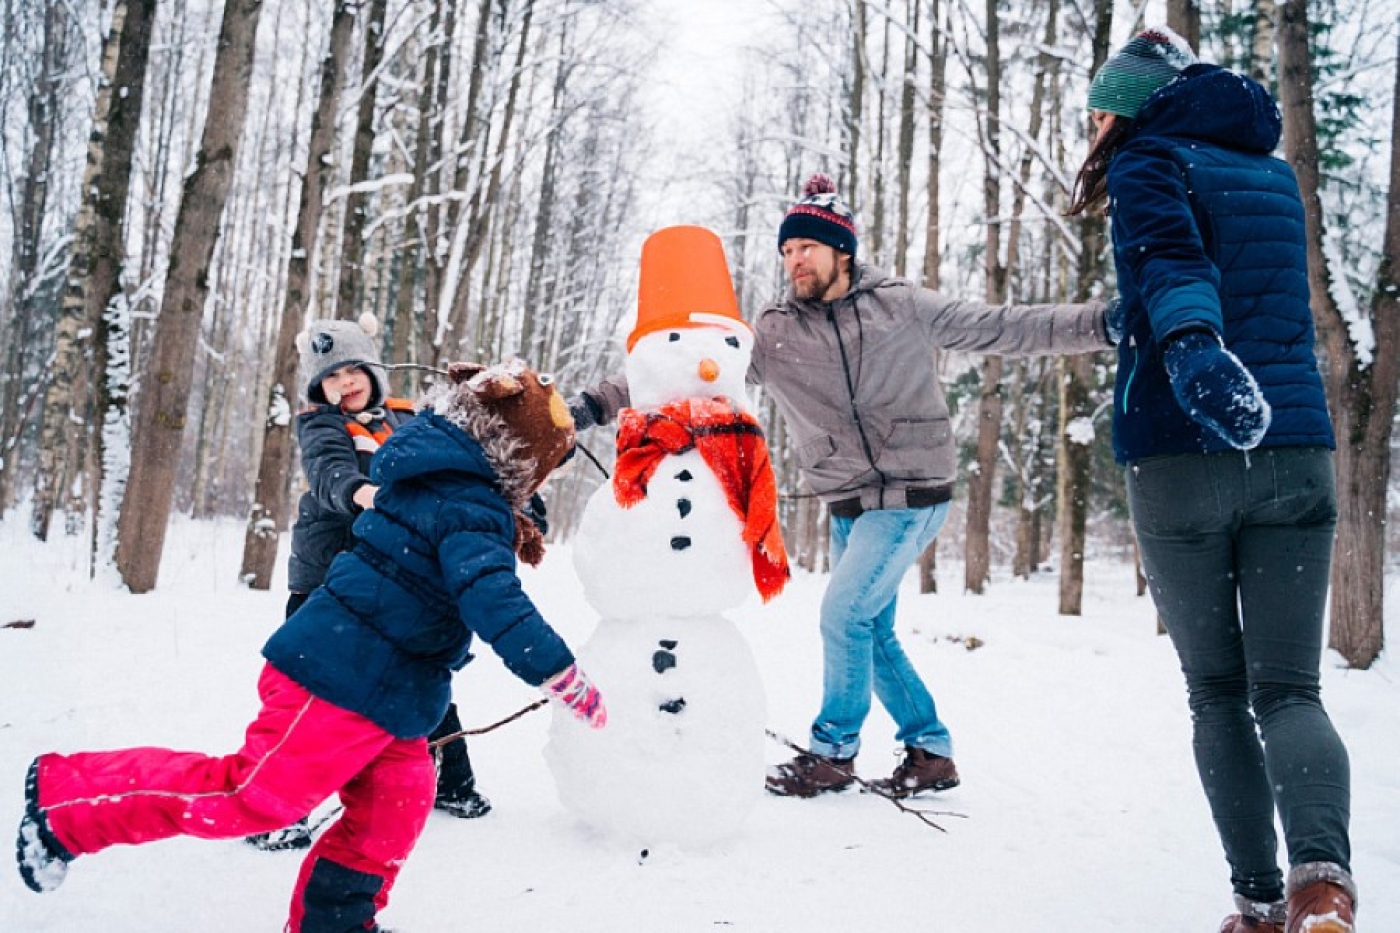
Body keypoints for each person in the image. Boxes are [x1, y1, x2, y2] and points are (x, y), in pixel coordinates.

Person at [569, 176, 1113, 799]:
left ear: (841, 250)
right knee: (871, 631)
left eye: (805, 247)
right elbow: (689, 369)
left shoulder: (900, 305)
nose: (794, 261)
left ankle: (833, 752)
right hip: (848, 498)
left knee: (843, 615)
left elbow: (1000, 327)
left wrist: (1104, 322)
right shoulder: (775, 331)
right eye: (787, 252)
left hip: (913, 490)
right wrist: (591, 404)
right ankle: (930, 750)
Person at [16, 359, 606, 933]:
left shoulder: (453, 485)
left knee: (397, 801)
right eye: (547, 467)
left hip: (392, 691)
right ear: (516, 454)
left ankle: (336, 921)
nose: (544, 482)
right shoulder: (468, 503)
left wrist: (608, 400)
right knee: (254, 797)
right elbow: (491, 598)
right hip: (340, 677)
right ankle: (66, 802)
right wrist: (560, 673)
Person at [1068, 28, 1356, 933]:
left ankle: (1260, 906)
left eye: (1099, 108)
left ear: (1129, 103)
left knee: (1218, 691)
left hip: (1184, 445)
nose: (1095, 125)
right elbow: (1240, 275)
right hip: (1297, 446)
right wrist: (1142, 316)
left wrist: (1190, 347)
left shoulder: (1146, 160)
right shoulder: (1272, 175)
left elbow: (1176, 263)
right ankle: (1324, 887)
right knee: (1293, 689)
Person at [247, 316, 489, 856]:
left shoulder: (408, 419)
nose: (347, 382)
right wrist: (370, 495)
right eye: (333, 376)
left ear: (375, 370)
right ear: (320, 388)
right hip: (329, 583)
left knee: (420, 672)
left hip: (393, 577)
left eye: (355, 368)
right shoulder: (322, 427)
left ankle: (450, 782)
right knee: (313, 694)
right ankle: (275, 809)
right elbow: (332, 475)